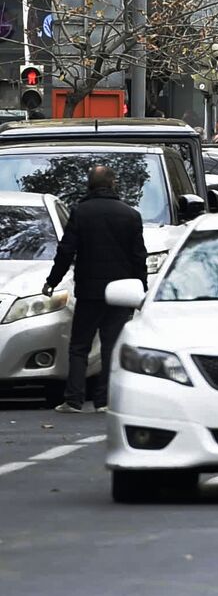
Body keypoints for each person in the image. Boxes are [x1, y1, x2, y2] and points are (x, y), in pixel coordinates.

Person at [42, 166, 147, 413]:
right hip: (121, 291)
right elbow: (138, 257)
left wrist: (52, 281)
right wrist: (140, 290)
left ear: (90, 185)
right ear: (113, 184)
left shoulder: (81, 212)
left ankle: (74, 399)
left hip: (89, 290)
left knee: (80, 345)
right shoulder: (130, 215)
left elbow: (66, 251)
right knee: (111, 345)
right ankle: (106, 400)